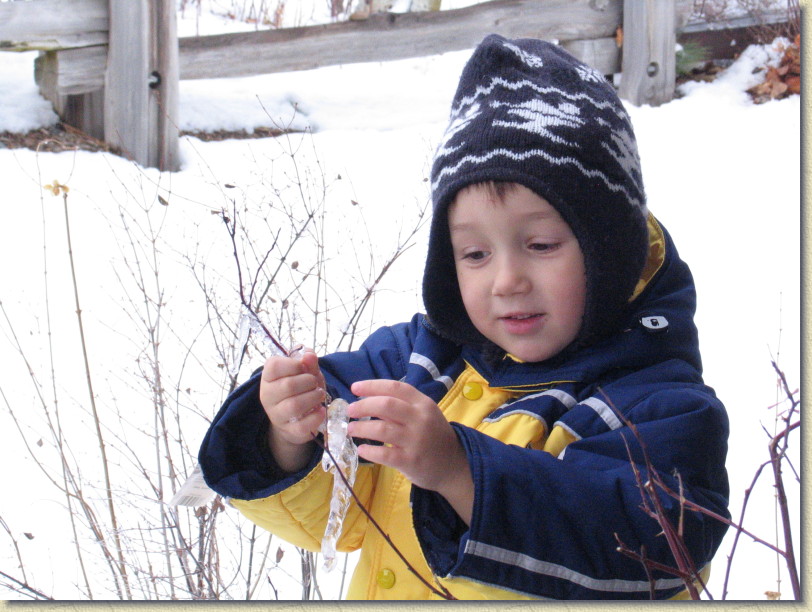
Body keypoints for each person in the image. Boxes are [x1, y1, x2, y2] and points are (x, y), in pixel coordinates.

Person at [198, 34, 730, 600]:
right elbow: (341, 517)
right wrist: (290, 434)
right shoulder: (416, 363)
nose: (506, 280)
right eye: (475, 254)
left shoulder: (659, 407)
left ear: (611, 249)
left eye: (542, 244)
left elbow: (647, 550)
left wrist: (460, 473)